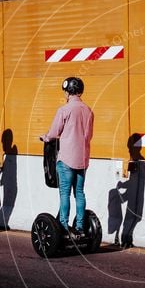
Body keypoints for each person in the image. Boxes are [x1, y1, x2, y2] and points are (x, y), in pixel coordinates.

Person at [40, 77, 94, 236]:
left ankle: (62, 227)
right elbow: (89, 136)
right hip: (82, 159)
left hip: (66, 159)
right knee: (80, 193)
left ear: (68, 91)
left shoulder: (64, 110)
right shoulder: (89, 110)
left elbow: (54, 132)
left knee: (65, 194)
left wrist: (46, 137)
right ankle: (80, 228)